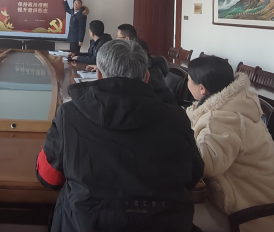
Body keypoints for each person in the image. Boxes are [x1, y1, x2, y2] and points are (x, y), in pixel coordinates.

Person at [37, 40, 204, 232]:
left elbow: (49, 177)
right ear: (146, 76)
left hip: (85, 224)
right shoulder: (177, 118)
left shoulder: (69, 115)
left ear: (99, 75)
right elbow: (193, 174)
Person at [186, 56, 274, 232]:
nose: (186, 82)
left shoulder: (224, 118)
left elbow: (204, 165)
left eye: (188, 79)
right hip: (246, 198)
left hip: (253, 215)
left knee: (175, 217)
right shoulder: (232, 105)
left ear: (202, 88)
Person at [115, 23, 176, 104]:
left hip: (161, 105)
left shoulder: (147, 72)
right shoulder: (142, 55)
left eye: (118, 38)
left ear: (127, 39)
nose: (116, 40)